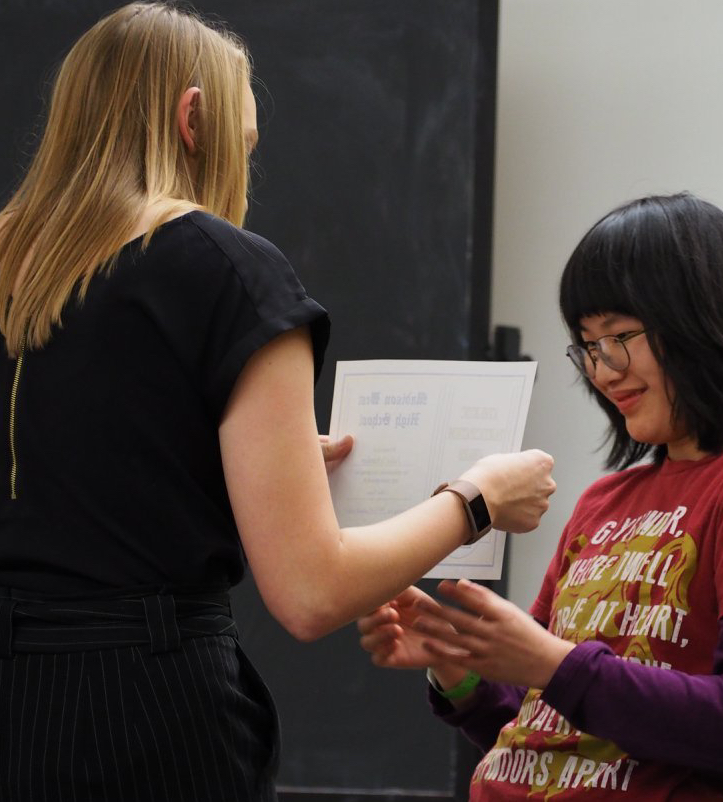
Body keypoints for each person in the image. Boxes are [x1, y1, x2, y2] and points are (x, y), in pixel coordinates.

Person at [0, 4, 554, 801]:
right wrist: (477, 500)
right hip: (144, 718)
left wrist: (247, 462)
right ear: (193, 117)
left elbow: (74, 469)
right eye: (244, 144)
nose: (243, 170)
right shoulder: (226, 271)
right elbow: (309, 593)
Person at [359, 193, 723, 800]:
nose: (602, 370)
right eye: (588, 345)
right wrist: (457, 666)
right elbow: (541, 733)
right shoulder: (603, 500)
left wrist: (555, 665)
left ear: (704, 321)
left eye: (618, 336)